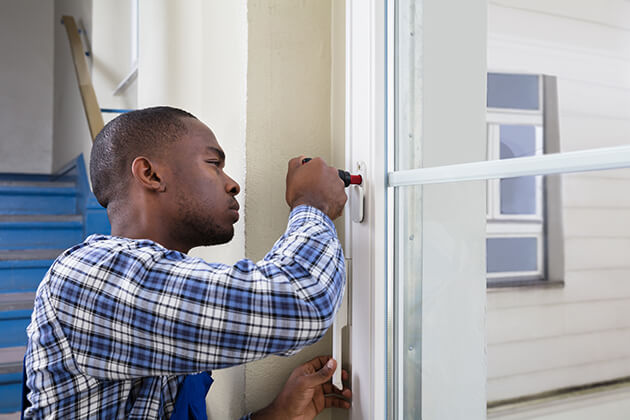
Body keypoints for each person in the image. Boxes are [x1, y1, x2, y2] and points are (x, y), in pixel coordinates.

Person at [23, 106, 351, 419]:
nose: (232, 183)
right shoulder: (89, 277)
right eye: (213, 163)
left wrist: (275, 415)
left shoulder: (159, 291)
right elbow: (301, 302)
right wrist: (312, 205)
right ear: (150, 174)